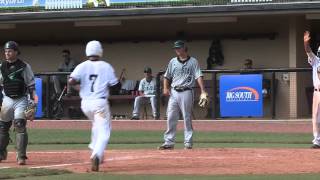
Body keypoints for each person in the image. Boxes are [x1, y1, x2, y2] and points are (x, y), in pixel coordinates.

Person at [68, 40, 118, 171]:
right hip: (99, 103)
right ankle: (97, 154)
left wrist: (80, 88)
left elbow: (71, 81)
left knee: (96, 125)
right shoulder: (106, 66)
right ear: (99, 51)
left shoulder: (82, 66)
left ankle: (94, 148)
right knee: (104, 131)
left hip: (86, 104)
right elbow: (115, 85)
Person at [158, 40, 208, 150]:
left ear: (184, 48)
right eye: (175, 48)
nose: (176, 50)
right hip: (174, 92)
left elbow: (198, 76)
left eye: (178, 48)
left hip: (187, 91)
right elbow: (167, 76)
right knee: (171, 116)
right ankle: (169, 142)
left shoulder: (193, 61)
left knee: (187, 117)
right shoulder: (173, 61)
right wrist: (166, 88)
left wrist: (203, 91)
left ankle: (188, 143)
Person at [0, 41, 38, 165]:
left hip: (21, 99)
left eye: (10, 51)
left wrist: (33, 100)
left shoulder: (24, 66)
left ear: (16, 52)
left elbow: (31, 85)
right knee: (3, 127)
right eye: (6, 51)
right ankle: (1, 153)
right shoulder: (2, 66)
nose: (7, 53)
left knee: (20, 125)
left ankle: (21, 156)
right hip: (7, 99)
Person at [304, 31, 320, 149]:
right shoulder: (316, 61)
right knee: (316, 117)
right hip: (317, 92)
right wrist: (305, 43)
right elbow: (308, 51)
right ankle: (317, 141)